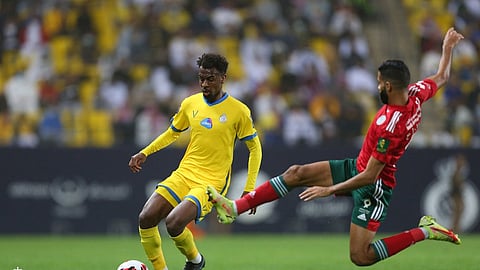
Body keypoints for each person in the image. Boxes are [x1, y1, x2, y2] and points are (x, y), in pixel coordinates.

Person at [207, 27, 464, 266]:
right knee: (296, 173)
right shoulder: (415, 93)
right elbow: (441, 76)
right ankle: (235, 207)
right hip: (358, 167)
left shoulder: (392, 127)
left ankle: (423, 231)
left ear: (388, 86)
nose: (376, 87)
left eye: (378, 82)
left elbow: (370, 176)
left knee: (360, 257)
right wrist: (448, 47)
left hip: (373, 186)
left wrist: (328, 190)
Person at [129, 53, 262, 270]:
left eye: (210, 78)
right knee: (146, 218)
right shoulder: (190, 103)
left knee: (173, 224)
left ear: (223, 78)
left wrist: (249, 189)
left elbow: (255, 148)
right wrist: (145, 152)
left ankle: (195, 261)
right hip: (185, 173)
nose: (204, 83)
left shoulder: (239, 111)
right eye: (201, 78)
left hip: (211, 182)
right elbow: (172, 133)